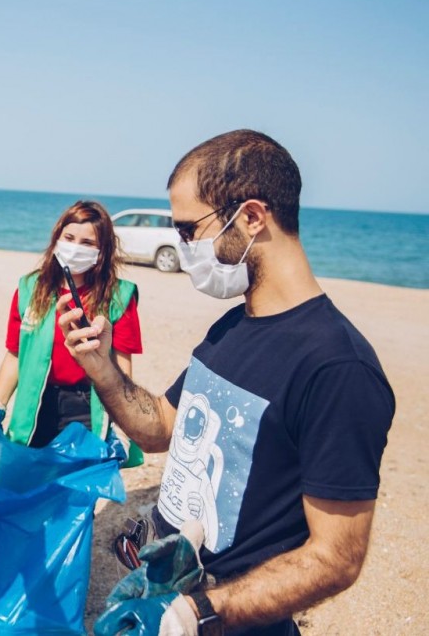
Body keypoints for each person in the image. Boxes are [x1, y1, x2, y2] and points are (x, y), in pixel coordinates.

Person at [57, 130, 394, 635]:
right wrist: (101, 367)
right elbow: (160, 428)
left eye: (191, 229)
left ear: (253, 217)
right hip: (165, 601)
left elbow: (336, 557)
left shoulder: (338, 368)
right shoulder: (233, 325)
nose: (183, 245)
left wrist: (200, 611)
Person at [0, 200, 144, 462]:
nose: (75, 248)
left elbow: (123, 364)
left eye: (87, 243)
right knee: (28, 482)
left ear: (102, 251)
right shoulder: (30, 288)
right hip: (36, 401)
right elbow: (15, 354)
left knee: (77, 490)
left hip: (87, 407)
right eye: (68, 237)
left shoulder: (119, 296)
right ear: (56, 239)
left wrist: (122, 424)